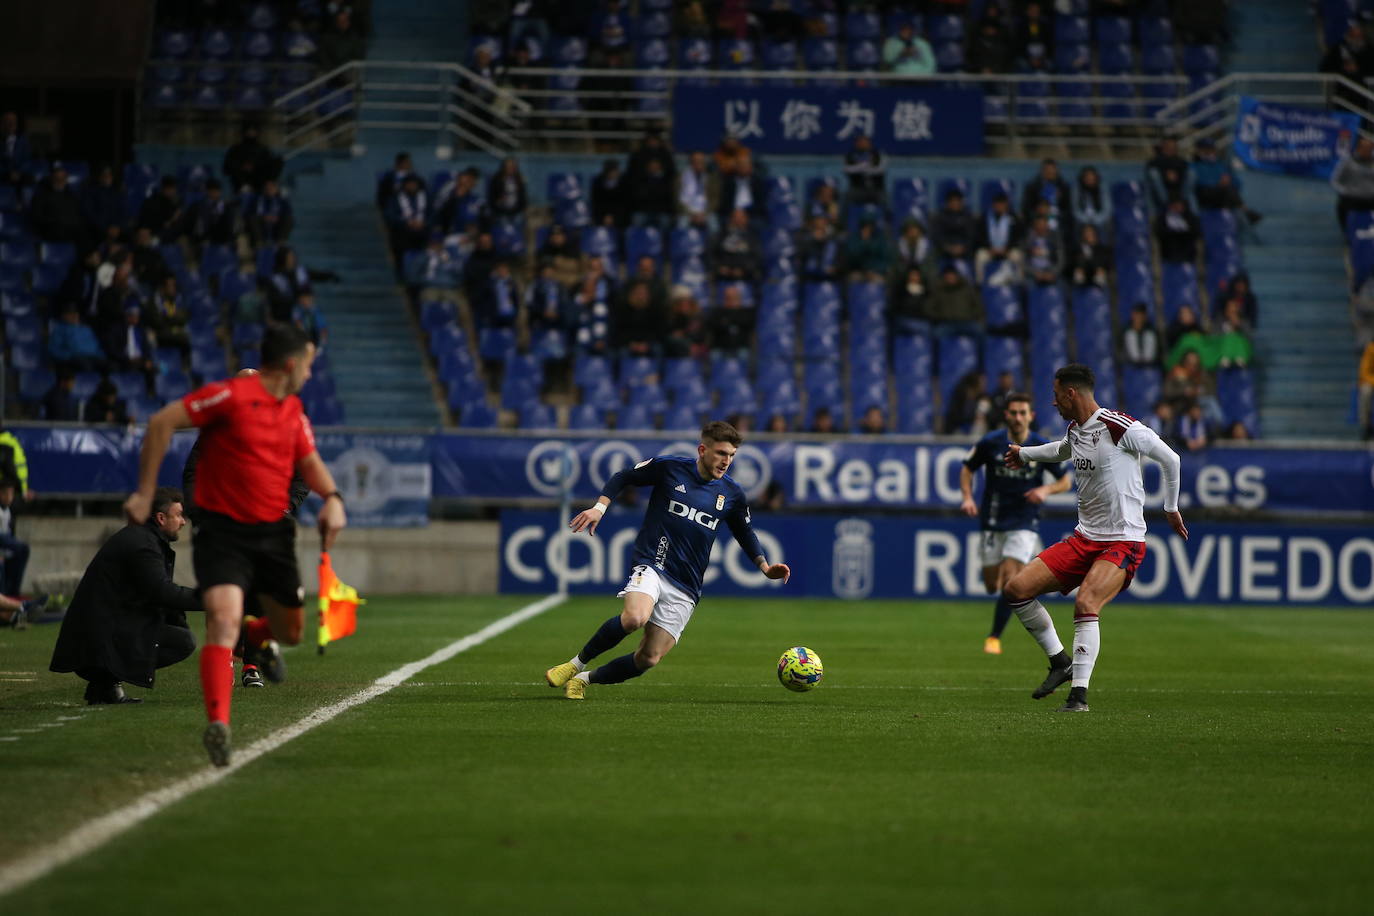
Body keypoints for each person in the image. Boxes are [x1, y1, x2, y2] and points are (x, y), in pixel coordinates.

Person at [122, 324, 347, 765]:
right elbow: (162, 422)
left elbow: (310, 463)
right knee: (223, 621)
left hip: (273, 533)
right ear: (290, 364)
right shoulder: (227, 397)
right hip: (223, 534)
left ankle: (262, 641)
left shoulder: (293, 411)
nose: (311, 372)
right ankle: (219, 726)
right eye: (309, 363)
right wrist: (146, 494)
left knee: (291, 630)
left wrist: (334, 498)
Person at [543, 421, 790, 700]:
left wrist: (764, 566)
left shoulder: (732, 493)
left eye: (732, 455)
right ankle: (574, 664)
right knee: (635, 617)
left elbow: (744, 531)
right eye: (721, 453)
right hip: (654, 563)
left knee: (648, 658)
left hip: (686, 584)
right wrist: (600, 507)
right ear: (702, 449)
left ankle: (584, 680)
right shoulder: (670, 468)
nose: (727, 461)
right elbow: (624, 476)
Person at [1002, 363, 1187, 712]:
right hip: (1084, 539)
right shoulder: (1076, 430)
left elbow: (1170, 458)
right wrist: (1024, 453)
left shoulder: (1119, 426)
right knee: (1016, 590)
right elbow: (1060, 450)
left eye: (1056, 396)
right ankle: (1060, 662)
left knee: (1086, 604)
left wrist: (1170, 507)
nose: (1054, 403)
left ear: (1071, 393)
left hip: (1123, 540)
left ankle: (1079, 697)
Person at [49, 487, 202, 705]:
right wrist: (211, 599)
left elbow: (156, 594)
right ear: (160, 518)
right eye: (178, 515)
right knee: (183, 641)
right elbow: (161, 592)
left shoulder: (144, 538)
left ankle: (105, 684)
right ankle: (106, 677)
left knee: (178, 628)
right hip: (96, 640)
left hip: (98, 632)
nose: (183, 521)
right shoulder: (144, 544)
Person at [960, 392, 1072, 655]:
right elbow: (967, 468)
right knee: (991, 584)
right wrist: (967, 497)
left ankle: (993, 637)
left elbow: (1065, 481)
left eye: (1023, 412)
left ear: (1031, 416)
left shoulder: (1040, 445)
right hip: (992, 518)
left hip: (1024, 520)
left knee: (1011, 581)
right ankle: (996, 620)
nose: (1019, 417)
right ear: (1006, 416)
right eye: (1014, 413)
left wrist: (1045, 491)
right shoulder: (990, 443)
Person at [1330, 136, 1374, 235]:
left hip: (1371, 197)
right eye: (1365, 148)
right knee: (1342, 205)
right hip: (1352, 197)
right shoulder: (1347, 162)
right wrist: (1343, 191)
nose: (1368, 151)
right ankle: (1347, 232)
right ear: (1359, 148)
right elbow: (1335, 180)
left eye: (1370, 149)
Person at [223, 122, 282, 192]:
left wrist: (255, 166)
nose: (251, 133)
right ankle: (245, 186)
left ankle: (269, 187)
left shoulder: (263, 149)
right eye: (249, 130)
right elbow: (227, 167)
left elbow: (269, 165)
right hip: (240, 182)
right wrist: (242, 167)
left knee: (278, 161)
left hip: (259, 182)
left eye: (253, 130)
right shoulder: (236, 149)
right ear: (244, 132)